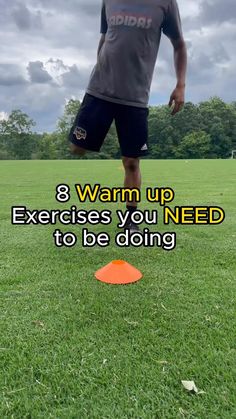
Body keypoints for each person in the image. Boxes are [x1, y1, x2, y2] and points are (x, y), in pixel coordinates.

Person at [69, 0, 187, 232]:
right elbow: (104, 37)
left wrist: (180, 84)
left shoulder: (165, 4)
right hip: (99, 89)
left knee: (131, 161)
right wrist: (101, 66)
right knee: (77, 149)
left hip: (135, 96)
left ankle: (131, 219)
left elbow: (179, 45)